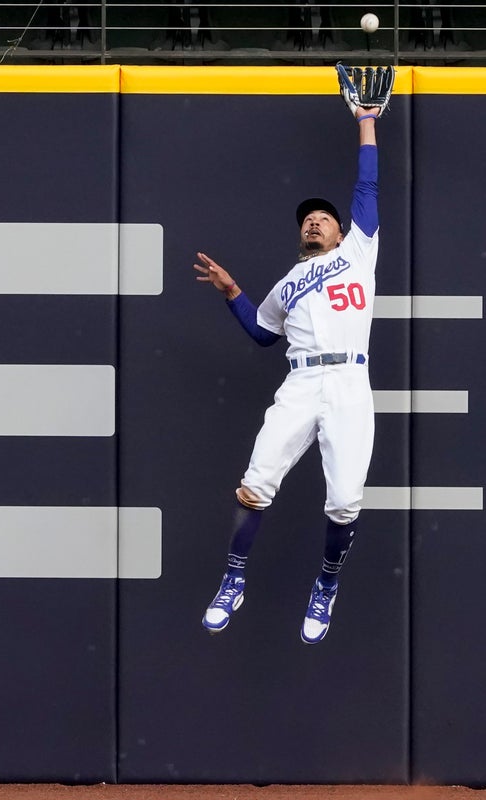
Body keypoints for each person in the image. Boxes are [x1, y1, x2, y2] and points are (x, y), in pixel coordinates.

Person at [193, 97, 382, 645]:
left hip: (349, 381)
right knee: (254, 485)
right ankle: (233, 579)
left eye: (323, 218)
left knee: (345, 501)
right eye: (307, 219)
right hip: (301, 382)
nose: (314, 221)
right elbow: (261, 333)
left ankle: (326, 584)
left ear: (341, 232)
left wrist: (366, 121)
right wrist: (233, 293)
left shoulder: (359, 251)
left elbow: (366, 189)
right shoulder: (284, 286)